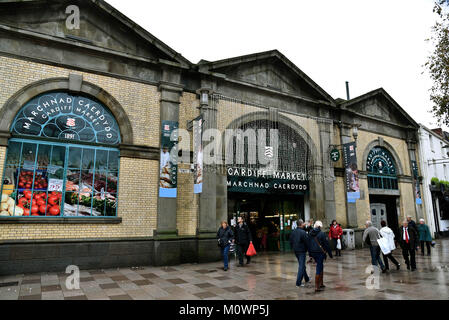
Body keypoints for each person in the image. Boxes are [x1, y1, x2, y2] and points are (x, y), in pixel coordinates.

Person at [307, 221, 333, 292]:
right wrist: (330, 254)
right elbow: (326, 244)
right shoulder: (322, 234)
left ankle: (321, 283)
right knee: (319, 267)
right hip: (320, 252)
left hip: (313, 252)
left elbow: (308, 244)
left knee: (320, 266)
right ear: (320, 227)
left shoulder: (310, 233)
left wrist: (310, 254)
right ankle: (316, 287)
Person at [289, 219, 310, 288]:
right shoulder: (303, 232)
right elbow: (307, 242)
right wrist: (308, 250)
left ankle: (306, 278)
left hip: (296, 251)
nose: (304, 224)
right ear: (301, 224)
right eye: (303, 223)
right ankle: (298, 283)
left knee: (302, 265)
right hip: (301, 251)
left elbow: (291, 241)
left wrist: (293, 248)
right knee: (301, 266)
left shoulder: (293, 232)